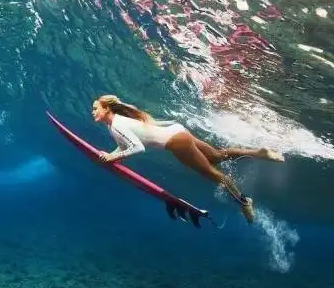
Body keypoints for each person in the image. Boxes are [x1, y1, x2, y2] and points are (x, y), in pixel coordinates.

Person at [91, 94, 284, 224]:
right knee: (218, 156)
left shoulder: (116, 125)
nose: (93, 112)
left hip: (176, 142)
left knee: (215, 174)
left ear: (107, 109)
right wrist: (113, 155)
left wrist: (113, 157)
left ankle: (244, 202)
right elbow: (126, 144)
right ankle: (260, 153)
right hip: (177, 131)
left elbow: (138, 147)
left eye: (95, 108)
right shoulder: (116, 124)